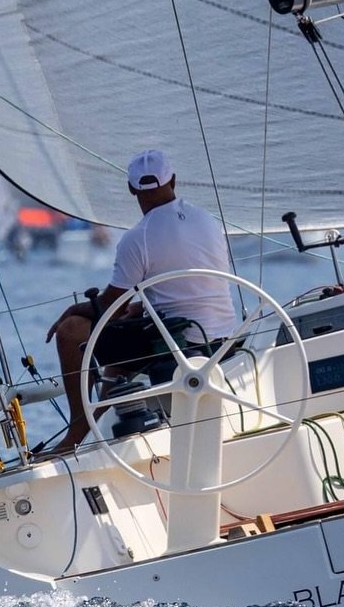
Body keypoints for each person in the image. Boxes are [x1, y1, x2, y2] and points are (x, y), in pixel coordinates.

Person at [41, 150, 238, 455]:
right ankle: (103, 417)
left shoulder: (138, 237)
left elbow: (111, 306)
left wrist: (76, 309)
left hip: (180, 341)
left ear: (132, 189)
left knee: (72, 332)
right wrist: (140, 309)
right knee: (125, 329)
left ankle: (76, 434)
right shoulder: (207, 220)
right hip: (223, 335)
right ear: (173, 180)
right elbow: (186, 285)